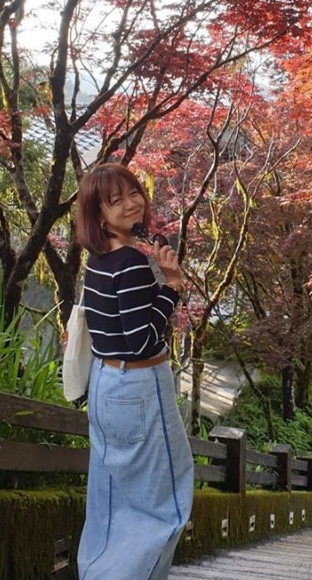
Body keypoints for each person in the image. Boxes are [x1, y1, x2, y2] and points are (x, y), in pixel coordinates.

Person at [75, 163, 194, 580]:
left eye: (133, 193)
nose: (131, 204)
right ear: (98, 213)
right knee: (165, 504)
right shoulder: (128, 263)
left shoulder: (99, 260)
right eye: (115, 200)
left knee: (110, 501)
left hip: (106, 385)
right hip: (141, 384)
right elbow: (143, 340)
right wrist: (171, 286)